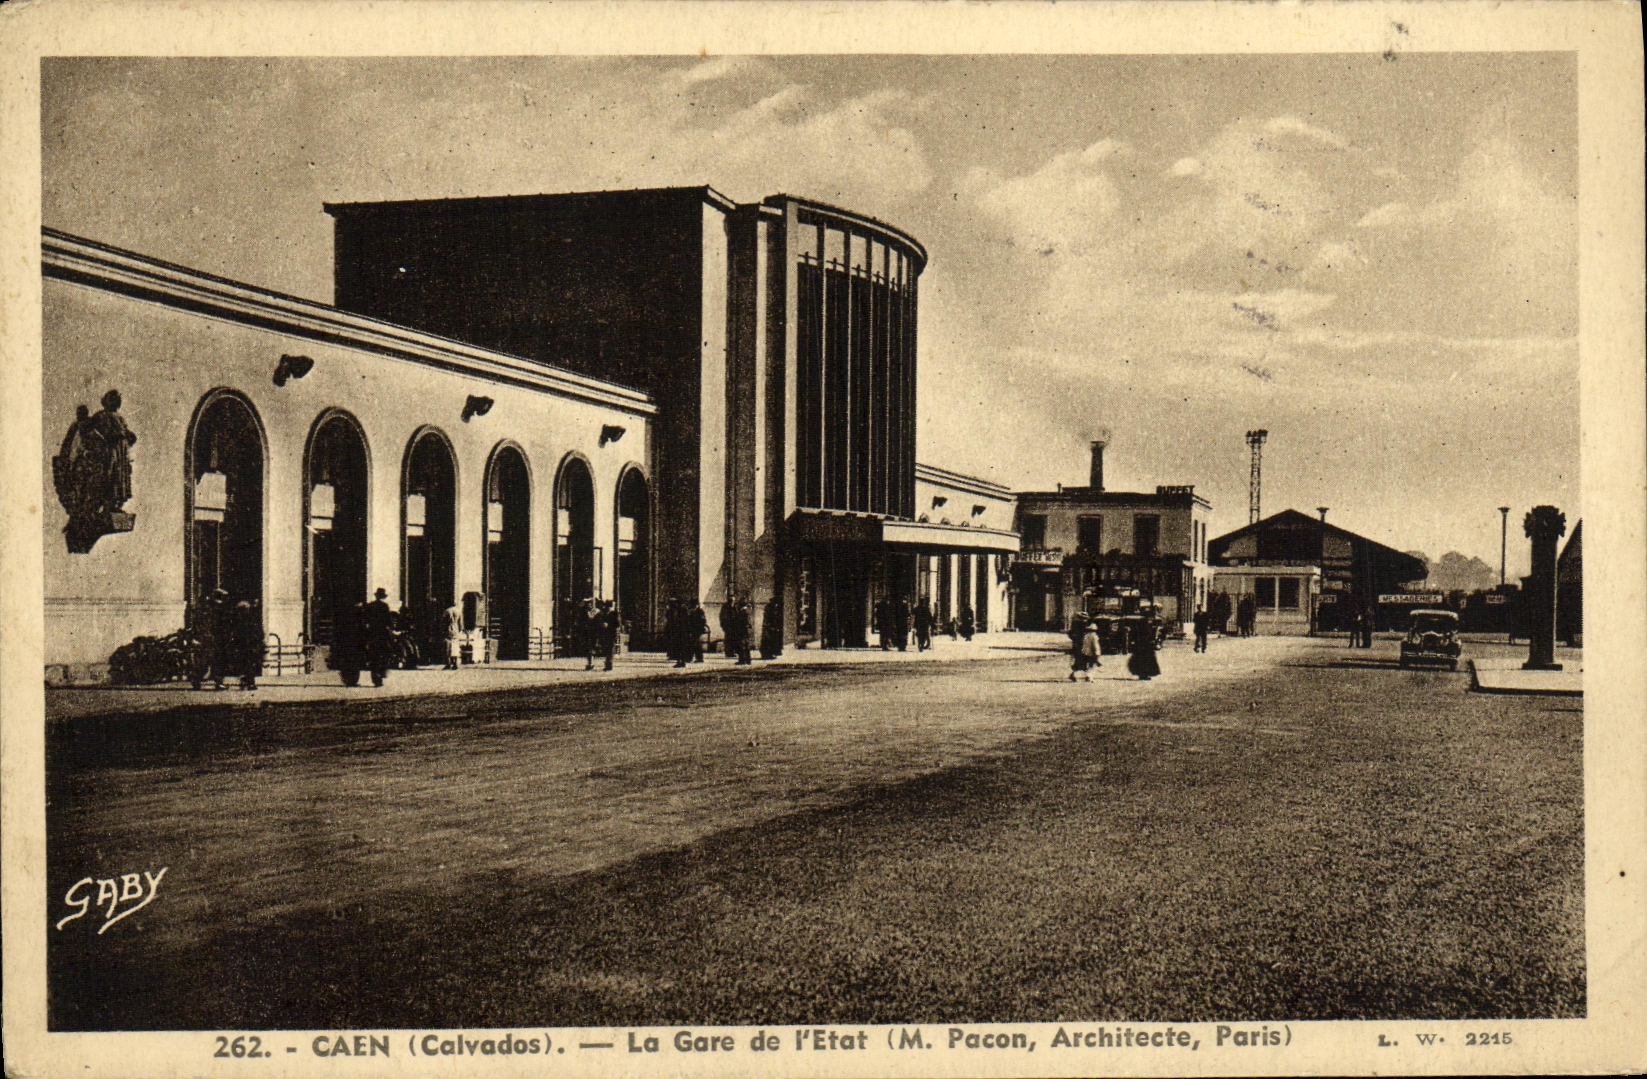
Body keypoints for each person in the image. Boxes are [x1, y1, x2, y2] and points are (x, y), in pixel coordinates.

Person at [192, 588, 230, 689]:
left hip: (208, 638)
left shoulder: (206, 608)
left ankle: (197, 680)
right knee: (216, 661)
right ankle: (218, 682)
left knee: (205, 661)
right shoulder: (218, 608)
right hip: (214, 639)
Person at [362, 587, 395, 687]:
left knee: (374, 655)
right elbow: (389, 621)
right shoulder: (385, 606)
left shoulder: (370, 606)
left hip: (372, 633)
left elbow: (365, 619)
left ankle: (375, 676)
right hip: (382, 634)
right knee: (387, 652)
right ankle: (381, 673)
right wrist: (392, 628)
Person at [229, 599, 263, 690]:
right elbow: (258, 633)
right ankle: (249, 682)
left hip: (245, 646)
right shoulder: (251, 620)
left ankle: (246, 681)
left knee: (245, 665)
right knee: (249, 664)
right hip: (248, 646)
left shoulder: (238, 621)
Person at [1127, 616, 1161, 680]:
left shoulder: (1143, 627)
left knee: (1143, 661)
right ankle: (1143, 675)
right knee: (1145, 661)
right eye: (1149, 620)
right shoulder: (1145, 628)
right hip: (1145, 647)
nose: (1150, 621)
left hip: (1143, 647)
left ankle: (1143, 674)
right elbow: (1146, 637)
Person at [1069, 616, 1100, 682]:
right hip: (1090, 653)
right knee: (1091, 664)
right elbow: (1095, 645)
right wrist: (1097, 653)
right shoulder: (1093, 636)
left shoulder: (1084, 634)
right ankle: (1088, 676)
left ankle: (1074, 674)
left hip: (1083, 651)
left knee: (1080, 664)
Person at [722, 598, 753, 665]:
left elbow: (741, 622)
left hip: (742, 630)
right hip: (746, 630)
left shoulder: (743, 612)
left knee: (741, 645)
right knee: (746, 646)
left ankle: (742, 660)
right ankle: (748, 660)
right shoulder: (747, 611)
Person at [593, 600, 619, 671]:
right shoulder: (604, 613)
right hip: (605, 633)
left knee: (610, 649)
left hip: (611, 633)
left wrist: (609, 625)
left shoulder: (614, 613)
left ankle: (609, 664)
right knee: (607, 649)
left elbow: (617, 624)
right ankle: (608, 663)